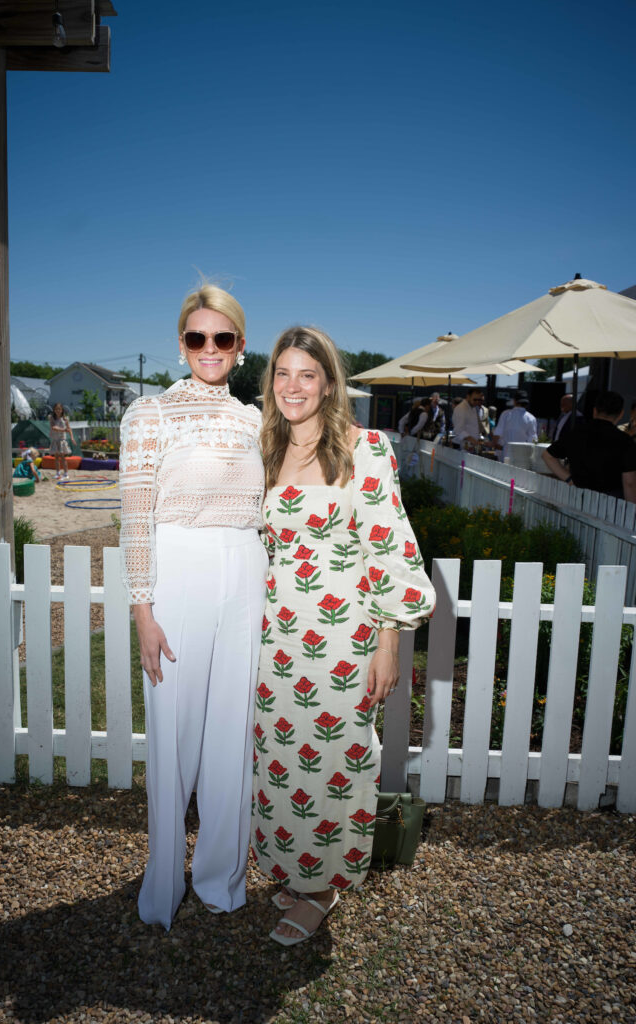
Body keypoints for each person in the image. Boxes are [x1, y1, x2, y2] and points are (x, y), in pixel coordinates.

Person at [252, 326, 435, 947]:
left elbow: (392, 550)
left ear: (329, 383)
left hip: (341, 639)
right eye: (283, 373)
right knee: (281, 760)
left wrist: (389, 641)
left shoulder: (366, 449)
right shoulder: (268, 450)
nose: (293, 386)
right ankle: (295, 868)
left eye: (307, 374)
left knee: (335, 760)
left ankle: (324, 886)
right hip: (276, 637)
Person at [119, 284, 267, 930]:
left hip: (246, 572)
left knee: (232, 731)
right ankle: (163, 885)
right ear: (181, 345)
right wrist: (142, 612)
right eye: (196, 338)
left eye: (222, 338)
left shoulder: (257, 421)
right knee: (174, 734)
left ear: (239, 346)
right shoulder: (148, 415)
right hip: (177, 569)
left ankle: (220, 880)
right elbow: (134, 518)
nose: (210, 349)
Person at [543, 390, 636, 502]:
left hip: (577, 497)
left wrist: (569, 479)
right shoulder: (625, 441)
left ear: (594, 411)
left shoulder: (577, 433)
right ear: (621, 414)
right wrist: (631, 510)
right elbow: (629, 482)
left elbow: (547, 456)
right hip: (611, 503)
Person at [492, 397, 538, 462]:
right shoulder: (531, 418)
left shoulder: (506, 414)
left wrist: (494, 445)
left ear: (514, 401)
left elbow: (498, 433)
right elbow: (533, 440)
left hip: (505, 453)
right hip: (522, 456)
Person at [49, 402, 75, 480]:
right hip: (55, 440)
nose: (58, 410)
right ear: (54, 410)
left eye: (59, 409)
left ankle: (66, 474)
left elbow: (69, 429)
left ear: (62, 410)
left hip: (62, 440)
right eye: (56, 409)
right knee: (56, 457)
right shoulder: (52, 418)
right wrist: (63, 430)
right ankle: (58, 473)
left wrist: (72, 438)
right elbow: (53, 427)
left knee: (63, 457)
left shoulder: (65, 419)